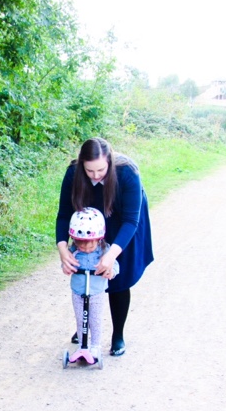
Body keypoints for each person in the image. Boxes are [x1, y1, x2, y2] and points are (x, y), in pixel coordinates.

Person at [56, 137, 154, 356]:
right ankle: (85, 330)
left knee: (117, 278)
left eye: (101, 170)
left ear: (109, 161)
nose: (96, 175)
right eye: (89, 171)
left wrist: (111, 255)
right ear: (82, 164)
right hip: (89, 224)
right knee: (87, 276)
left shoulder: (127, 173)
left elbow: (131, 221)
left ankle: (117, 334)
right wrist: (62, 248)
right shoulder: (73, 174)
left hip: (122, 221)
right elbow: (63, 215)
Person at [67, 207, 119, 360]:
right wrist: (66, 266)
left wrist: (111, 271)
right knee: (80, 319)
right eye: (81, 245)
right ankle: (83, 346)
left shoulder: (104, 250)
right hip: (78, 292)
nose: (86, 249)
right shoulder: (74, 250)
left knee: (95, 320)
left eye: (90, 246)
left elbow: (114, 264)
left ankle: (95, 346)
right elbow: (66, 262)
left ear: (99, 239)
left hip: (97, 292)